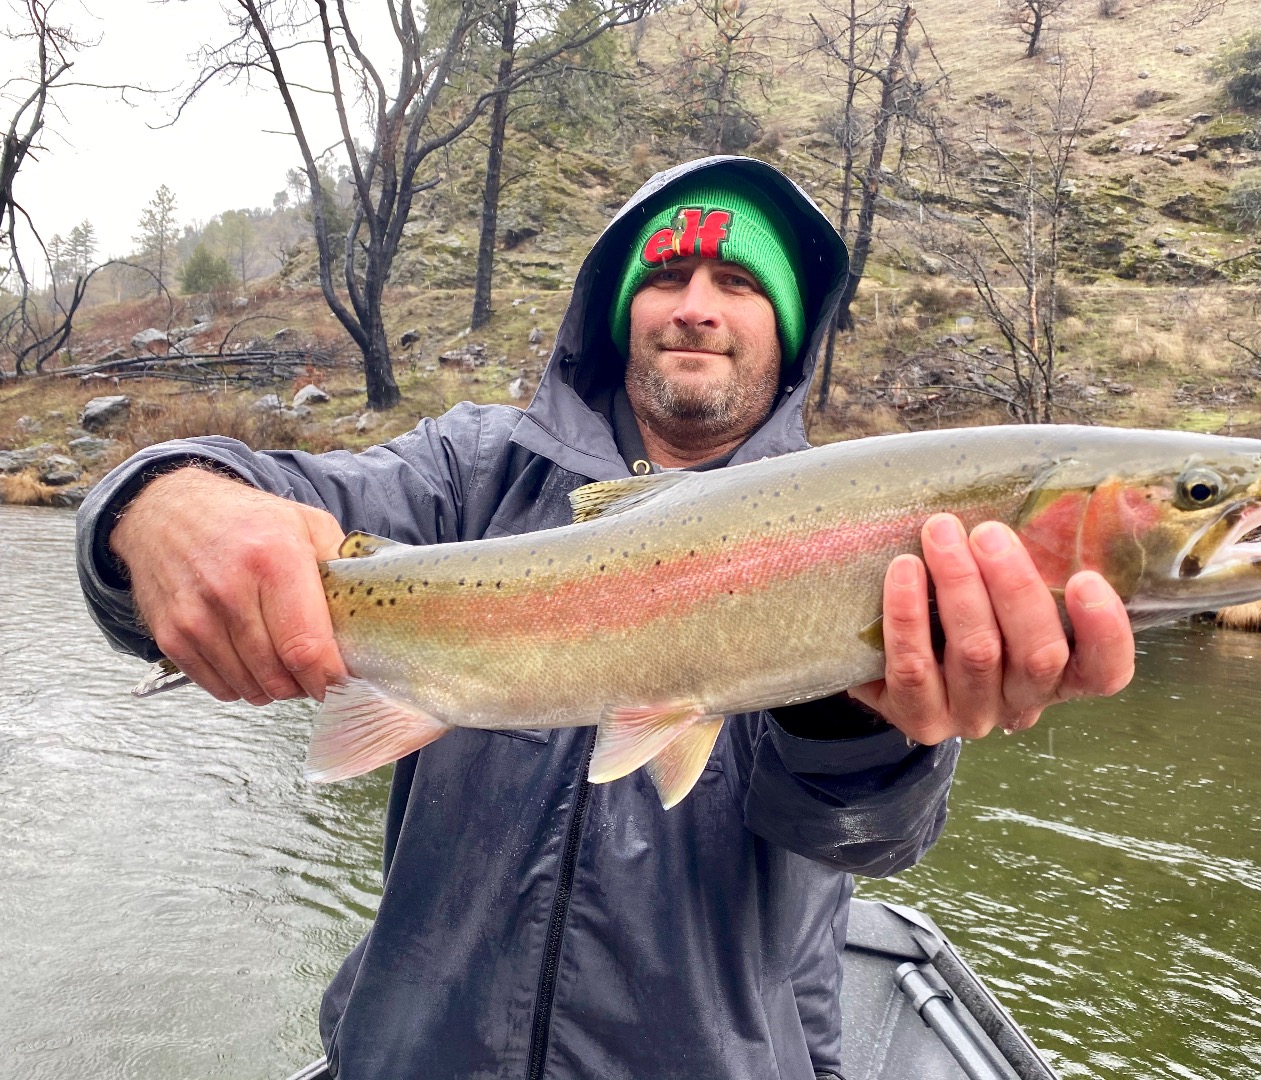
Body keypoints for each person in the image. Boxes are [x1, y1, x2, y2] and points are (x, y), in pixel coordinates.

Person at [76, 156, 1134, 1079]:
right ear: (619, 309)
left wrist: (856, 711)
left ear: (791, 329)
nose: (696, 305)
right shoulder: (470, 473)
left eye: (738, 281)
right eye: (666, 275)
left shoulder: (873, 530)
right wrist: (160, 505)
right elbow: (247, 503)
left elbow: (868, 838)